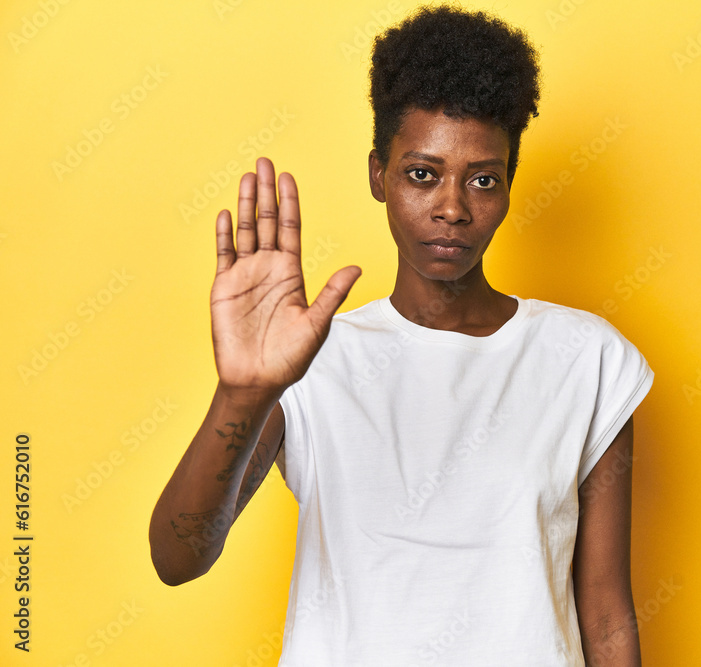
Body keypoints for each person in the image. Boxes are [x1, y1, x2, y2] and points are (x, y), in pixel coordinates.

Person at [149, 5, 653, 665]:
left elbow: (608, 611)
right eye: (422, 173)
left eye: (482, 179)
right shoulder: (310, 356)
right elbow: (179, 556)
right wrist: (243, 394)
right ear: (377, 175)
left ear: (507, 186)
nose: (452, 206)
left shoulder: (587, 360)